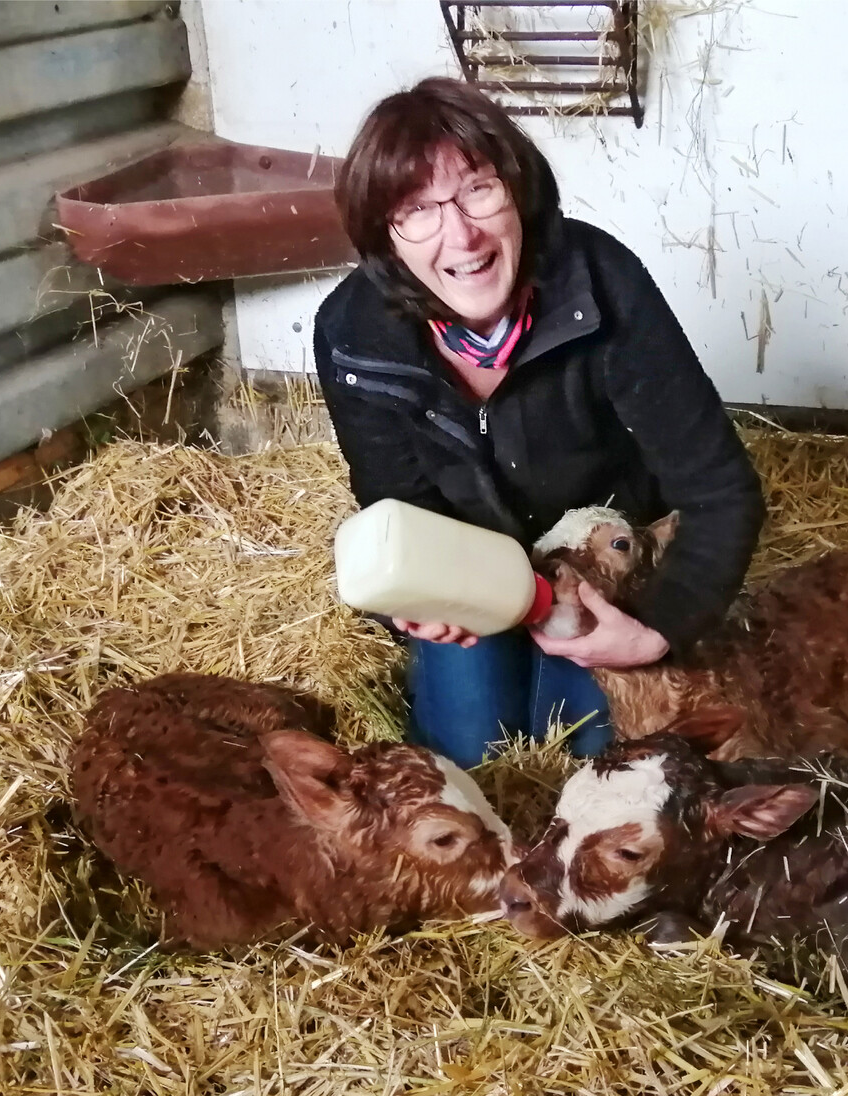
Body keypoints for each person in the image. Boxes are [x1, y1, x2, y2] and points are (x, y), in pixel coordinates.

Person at [314, 77, 765, 769]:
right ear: (386, 239)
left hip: (594, 561)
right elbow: (395, 509)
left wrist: (656, 629)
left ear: (518, 190)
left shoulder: (602, 282)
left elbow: (720, 491)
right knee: (472, 762)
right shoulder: (353, 334)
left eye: (478, 189)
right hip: (470, 567)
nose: (459, 233)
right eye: (416, 212)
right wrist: (412, 603)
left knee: (590, 761)